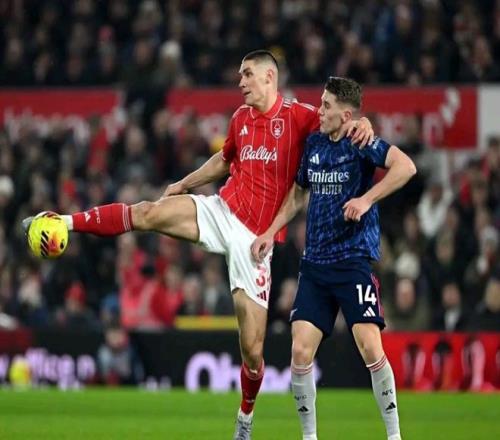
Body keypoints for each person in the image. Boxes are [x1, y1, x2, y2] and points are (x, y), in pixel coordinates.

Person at [23, 51, 374, 439]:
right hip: (221, 210)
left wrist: (363, 124)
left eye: (247, 74)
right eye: (239, 75)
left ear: (269, 77)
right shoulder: (240, 118)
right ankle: (63, 221)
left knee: (253, 353)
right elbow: (224, 161)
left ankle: (245, 417)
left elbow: (339, 120)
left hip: (255, 241)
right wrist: (185, 183)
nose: (240, 82)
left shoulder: (299, 117)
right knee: (147, 212)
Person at [251, 76, 416, 440]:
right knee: (299, 352)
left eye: (326, 106)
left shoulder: (362, 142)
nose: (320, 110)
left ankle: (394, 436)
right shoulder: (313, 144)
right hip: (315, 266)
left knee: (370, 347)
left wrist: (367, 199)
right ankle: (309, 437)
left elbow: (406, 167)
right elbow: (298, 195)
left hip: (352, 261)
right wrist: (270, 231)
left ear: (346, 115)